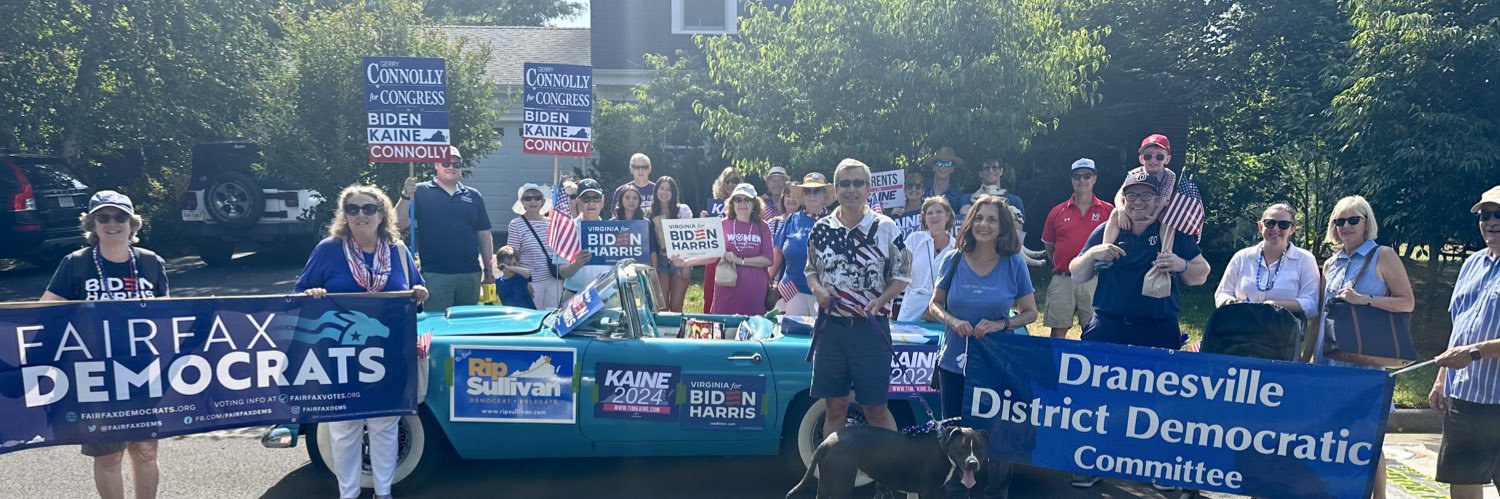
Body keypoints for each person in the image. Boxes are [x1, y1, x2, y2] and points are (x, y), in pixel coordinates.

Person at [1066, 170, 1208, 490]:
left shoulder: (1173, 232)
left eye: (1146, 196)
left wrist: (1181, 265)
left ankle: (1158, 465)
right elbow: (1076, 273)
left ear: (1159, 201)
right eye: (1132, 196)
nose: (1139, 202)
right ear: (1123, 199)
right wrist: (1093, 254)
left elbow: (1202, 273)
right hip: (1109, 326)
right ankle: (1090, 460)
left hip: (1157, 329)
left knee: (1160, 401)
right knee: (1095, 398)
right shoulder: (1109, 230)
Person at [294, 185, 428, 499]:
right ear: (345, 215)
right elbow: (299, 294)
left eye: (369, 209)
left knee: (385, 426)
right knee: (344, 430)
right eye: (352, 209)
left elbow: (417, 290)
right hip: (341, 355)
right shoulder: (329, 249)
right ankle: (349, 494)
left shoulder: (398, 250)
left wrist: (421, 294)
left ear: (382, 214)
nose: (360, 215)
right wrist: (312, 295)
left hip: (388, 353)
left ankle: (384, 492)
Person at [41, 190, 169, 499]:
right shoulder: (76, 264)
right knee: (109, 455)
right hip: (97, 375)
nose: (113, 224)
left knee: (145, 450)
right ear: (92, 224)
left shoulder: (151, 263)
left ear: (132, 223)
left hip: (143, 371)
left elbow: (167, 316)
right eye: (103, 217)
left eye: (120, 217)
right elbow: (44, 309)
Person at [924, 195, 1037, 498]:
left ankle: (995, 492)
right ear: (970, 221)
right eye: (979, 218)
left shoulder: (1014, 263)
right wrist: (952, 320)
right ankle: (957, 491)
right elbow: (934, 305)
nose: (983, 225)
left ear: (1003, 228)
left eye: (992, 220)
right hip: (955, 361)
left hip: (997, 363)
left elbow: (1030, 312)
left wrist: (1001, 324)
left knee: (997, 433)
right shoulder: (954, 258)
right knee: (955, 434)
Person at [1308, 195, 1414, 499]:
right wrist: (1307, 359)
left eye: (1353, 220)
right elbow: (1321, 315)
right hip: (1329, 361)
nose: (1345, 226)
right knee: (1333, 437)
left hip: (1366, 363)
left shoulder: (1383, 256)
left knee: (1368, 439)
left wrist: (1365, 300)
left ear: (1367, 222)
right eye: (1339, 221)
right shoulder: (1331, 263)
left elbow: (1407, 302)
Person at [805, 159, 912, 434]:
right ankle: (832, 474)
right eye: (844, 183)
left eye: (858, 183)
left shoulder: (887, 227)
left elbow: (902, 275)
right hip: (832, 329)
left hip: (870, 330)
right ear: (835, 188)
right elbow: (811, 270)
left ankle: (886, 474)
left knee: (876, 410)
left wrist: (882, 299)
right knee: (835, 406)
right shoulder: (820, 228)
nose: (851, 189)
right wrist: (818, 290)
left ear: (868, 188)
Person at [1429, 186, 1500, 498]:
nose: (1490, 221)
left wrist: (1474, 353)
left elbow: (1468, 345)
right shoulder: (1472, 264)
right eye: (1485, 215)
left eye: (1499, 213)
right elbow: (1459, 325)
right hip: (1465, 396)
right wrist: (1442, 378)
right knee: (1463, 480)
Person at [396, 146, 495, 312]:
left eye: (456, 164)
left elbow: (484, 234)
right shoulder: (419, 191)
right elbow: (398, 224)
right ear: (436, 164)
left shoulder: (473, 195)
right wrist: (406, 195)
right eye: (446, 162)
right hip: (435, 275)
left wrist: (489, 269)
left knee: (466, 330)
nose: (451, 167)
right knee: (437, 328)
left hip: (470, 274)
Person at [1213, 203, 1320, 327]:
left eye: (1283, 224)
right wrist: (1231, 302)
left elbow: (1311, 304)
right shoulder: (1242, 257)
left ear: (1292, 229)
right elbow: (1221, 294)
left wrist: (1273, 305)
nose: (1275, 228)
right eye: (1270, 223)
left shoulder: (1305, 259)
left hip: (1281, 334)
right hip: (1239, 330)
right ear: (1260, 226)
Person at [1040, 159, 1113, 338]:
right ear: (1072, 180)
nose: (1082, 180)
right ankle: (1055, 366)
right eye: (1077, 176)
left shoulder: (1108, 211)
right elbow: (1049, 246)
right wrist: (1062, 264)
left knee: (1095, 331)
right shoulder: (1057, 211)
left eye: (1087, 175)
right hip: (1063, 278)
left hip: (1094, 280)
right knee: (1057, 332)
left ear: (1094, 178)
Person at [678, 183, 775, 315]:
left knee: (752, 332)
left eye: (747, 200)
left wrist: (740, 260)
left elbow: (768, 259)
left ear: (754, 204)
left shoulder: (763, 226)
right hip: (726, 290)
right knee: (724, 332)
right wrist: (686, 262)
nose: (742, 204)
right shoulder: (722, 224)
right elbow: (712, 255)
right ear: (732, 203)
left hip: (754, 291)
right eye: (738, 199)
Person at [1099, 134, 1180, 248]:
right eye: (1148, 156)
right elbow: (1120, 195)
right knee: (1115, 213)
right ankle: (1105, 248)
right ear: (1141, 158)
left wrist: (1153, 218)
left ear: (1167, 159)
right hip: (1136, 208)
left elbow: (1164, 198)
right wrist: (1122, 211)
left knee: (1169, 217)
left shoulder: (1169, 175)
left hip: (1159, 210)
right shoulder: (1134, 174)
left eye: (1159, 157)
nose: (1153, 160)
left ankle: (1165, 253)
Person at [775, 172, 831, 316]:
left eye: (817, 191)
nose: (811, 195)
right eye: (807, 191)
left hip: (824, 293)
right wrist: (766, 283)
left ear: (824, 196)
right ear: (802, 196)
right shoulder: (791, 219)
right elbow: (778, 254)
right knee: (794, 335)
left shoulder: (834, 222)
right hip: (793, 290)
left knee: (820, 336)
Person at [896, 196, 956, 321]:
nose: (934, 216)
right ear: (924, 218)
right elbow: (901, 275)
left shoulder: (956, 248)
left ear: (948, 216)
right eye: (929, 213)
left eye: (939, 212)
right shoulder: (913, 239)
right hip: (910, 310)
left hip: (940, 313)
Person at [506, 183, 565, 309]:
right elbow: (512, 257)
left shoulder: (552, 223)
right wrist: (523, 282)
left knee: (553, 316)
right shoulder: (516, 224)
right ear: (522, 202)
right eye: (528, 198)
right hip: (532, 282)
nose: (533, 201)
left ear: (543, 201)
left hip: (554, 280)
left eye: (537, 197)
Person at [701, 167, 745, 312]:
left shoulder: (745, 205)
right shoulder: (714, 206)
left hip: (737, 256)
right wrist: (702, 222)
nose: (731, 184)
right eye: (727, 181)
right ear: (721, 183)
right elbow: (704, 237)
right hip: (715, 257)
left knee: (735, 294)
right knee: (711, 294)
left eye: (735, 181)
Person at [649, 176, 695, 312]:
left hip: (680, 261)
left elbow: (689, 240)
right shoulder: (649, 213)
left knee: (676, 306)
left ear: (674, 192)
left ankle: (678, 334)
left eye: (668, 189)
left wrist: (687, 265)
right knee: (662, 307)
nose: (664, 192)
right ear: (656, 191)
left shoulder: (683, 210)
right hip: (660, 261)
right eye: (661, 188)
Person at [560, 179, 605, 299]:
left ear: (602, 202)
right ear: (579, 202)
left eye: (596, 198)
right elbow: (562, 271)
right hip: (574, 296)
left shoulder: (613, 230)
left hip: (605, 296)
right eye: (586, 199)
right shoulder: (567, 230)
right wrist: (576, 264)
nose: (591, 203)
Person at [924, 146, 968, 211]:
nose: (943, 166)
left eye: (948, 164)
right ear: (933, 167)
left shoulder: (958, 197)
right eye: (939, 163)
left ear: (952, 169)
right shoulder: (921, 189)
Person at [495, 245, 536, 309]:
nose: (512, 267)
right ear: (499, 264)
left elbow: (527, 272)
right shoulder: (498, 282)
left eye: (514, 264)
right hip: (510, 314)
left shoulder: (520, 277)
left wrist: (509, 268)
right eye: (508, 264)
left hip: (528, 312)